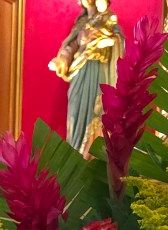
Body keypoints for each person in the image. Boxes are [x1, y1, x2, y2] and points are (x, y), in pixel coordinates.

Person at [49, 0, 125, 156]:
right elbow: (71, 47)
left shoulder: (109, 20)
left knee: (97, 112)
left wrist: (109, 42)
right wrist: (61, 61)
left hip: (100, 72)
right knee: (75, 112)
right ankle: (75, 154)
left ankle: (92, 157)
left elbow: (119, 42)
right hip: (80, 71)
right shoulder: (81, 24)